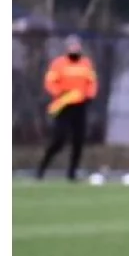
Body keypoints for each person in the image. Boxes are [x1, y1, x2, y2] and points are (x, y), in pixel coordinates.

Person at [36, 36, 98, 181]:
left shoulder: (86, 64)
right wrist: (59, 92)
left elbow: (92, 82)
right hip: (64, 106)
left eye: (77, 46)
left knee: (78, 141)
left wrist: (89, 96)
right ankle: (41, 169)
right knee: (59, 139)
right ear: (67, 48)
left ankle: (72, 174)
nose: (74, 49)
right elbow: (50, 82)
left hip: (80, 106)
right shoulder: (58, 64)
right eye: (72, 46)